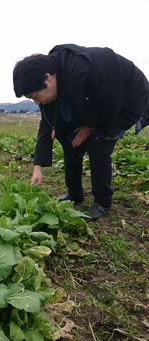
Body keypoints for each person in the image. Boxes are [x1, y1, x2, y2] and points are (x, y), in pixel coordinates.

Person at [13, 44, 149, 219]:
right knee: (69, 139)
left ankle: (102, 202)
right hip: (91, 103)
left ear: (47, 79)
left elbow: (112, 104)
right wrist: (37, 166)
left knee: (98, 143)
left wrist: (90, 127)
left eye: (34, 96)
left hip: (125, 99)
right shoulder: (52, 83)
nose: (36, 102)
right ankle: (75, 194)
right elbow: (47, 125)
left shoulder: (88, 68)